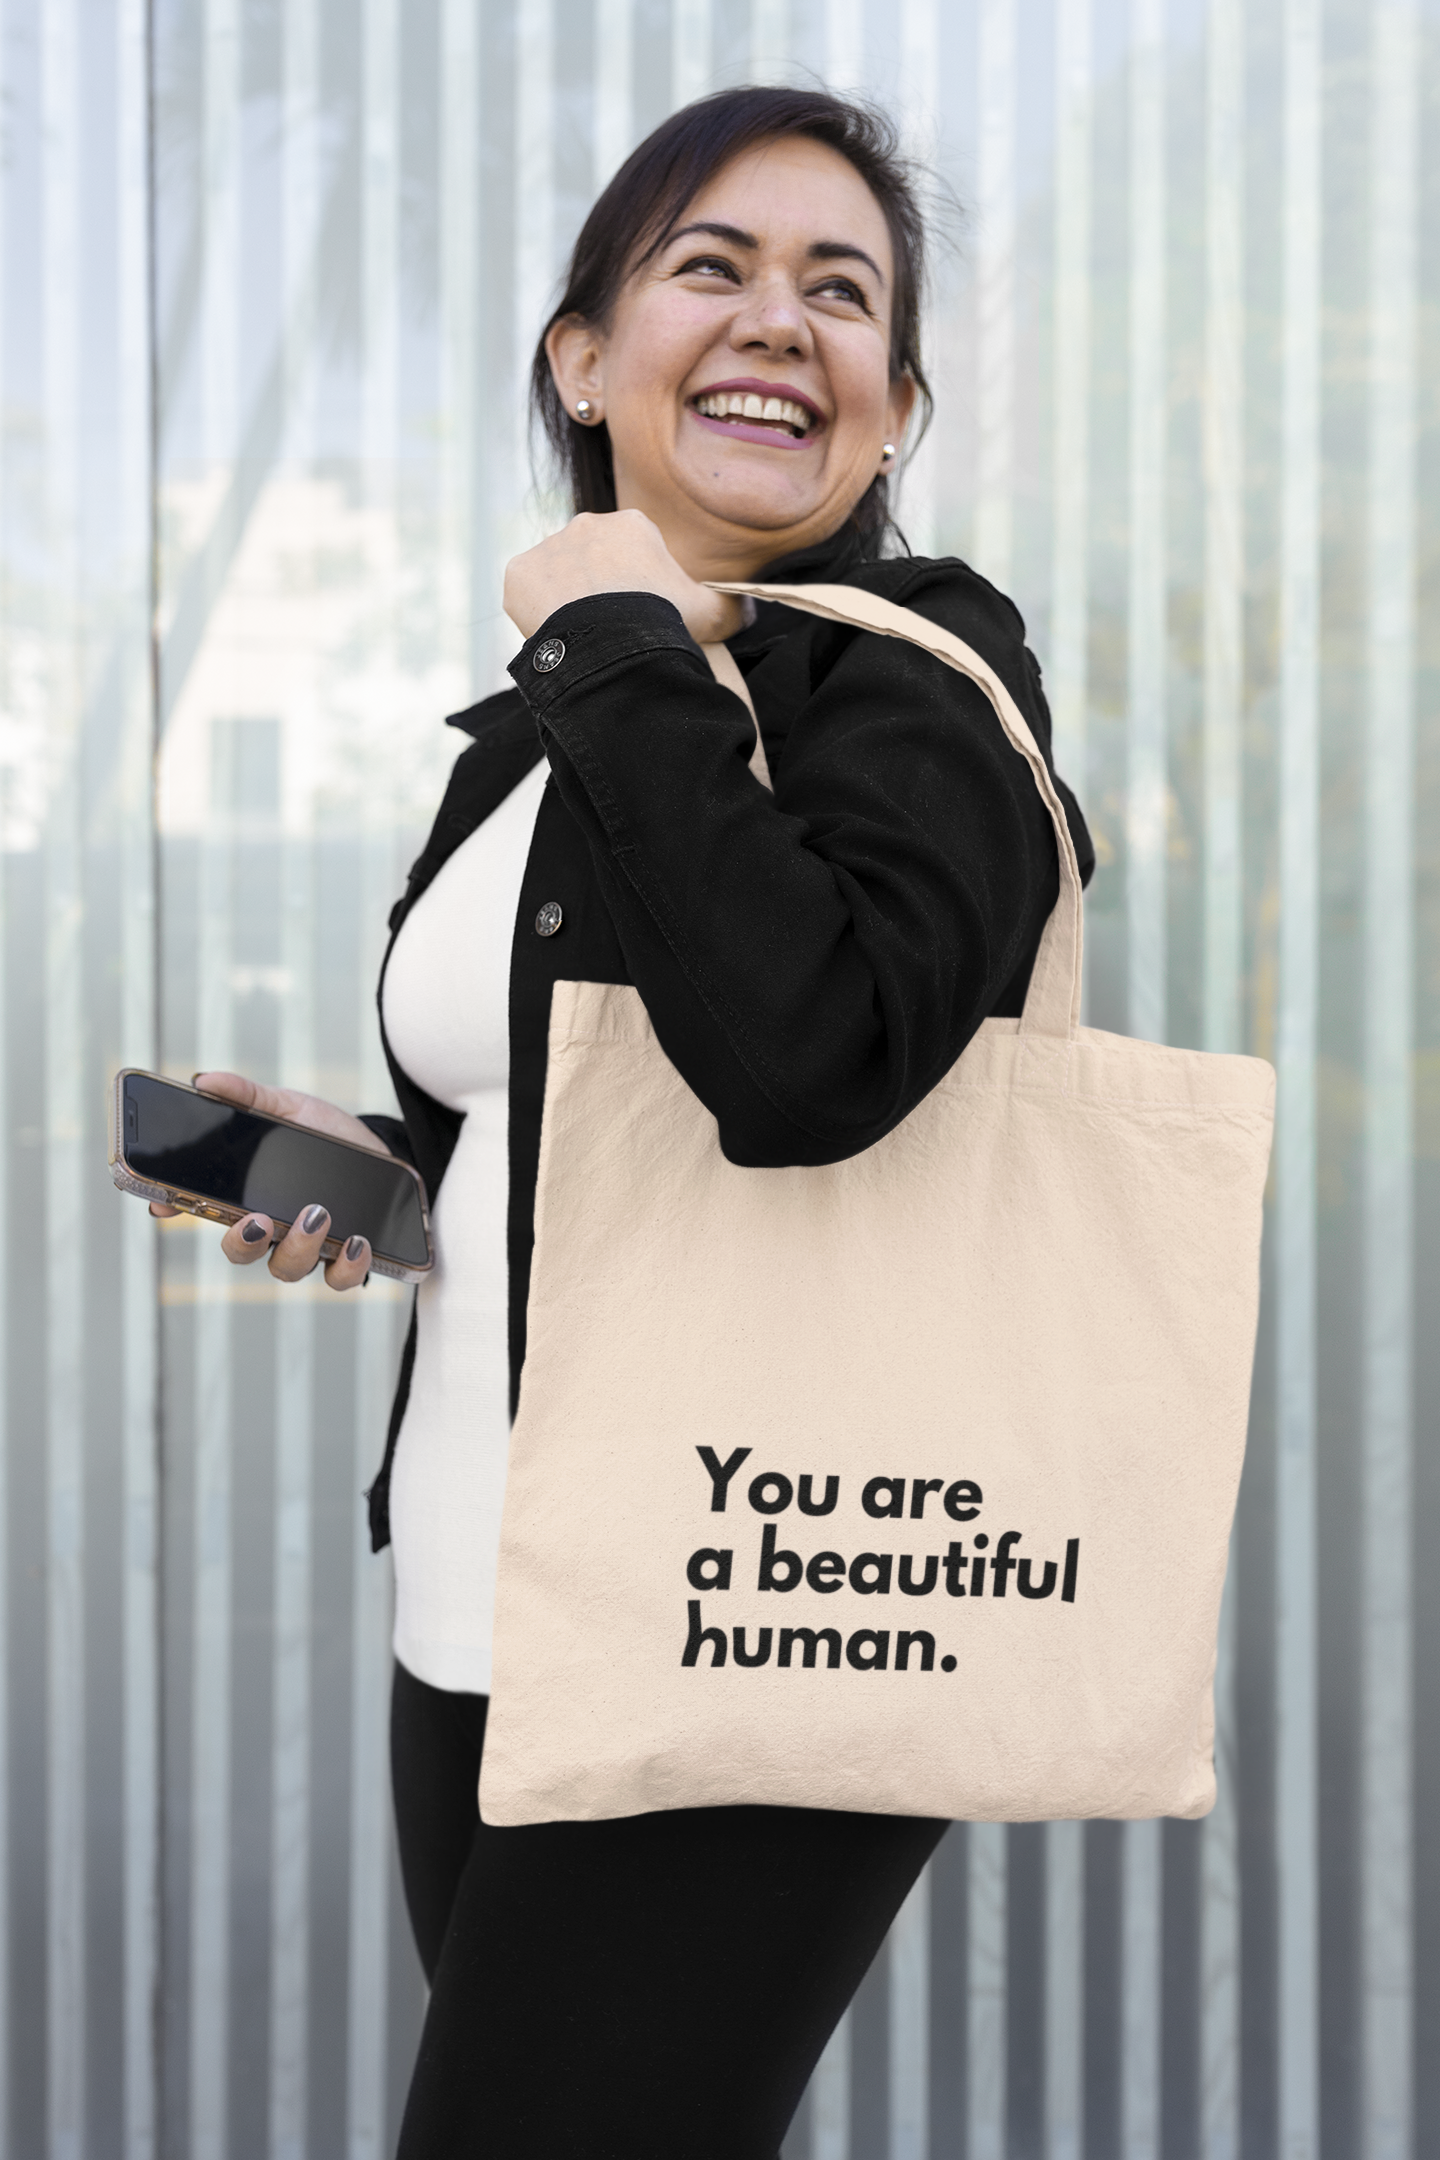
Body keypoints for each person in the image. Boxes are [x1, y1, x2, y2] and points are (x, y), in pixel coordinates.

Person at [169, 84, 1093, 2160]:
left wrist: (607, 625)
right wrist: (377, 1183)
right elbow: (588, 1138)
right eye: (714, 267)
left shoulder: (920, 673)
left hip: (757, 1597)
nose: (783, 321)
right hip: (482, 1600)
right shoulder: (533, 737)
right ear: (584, 361)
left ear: (893, 401)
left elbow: (810, 1069)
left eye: (840, 293)